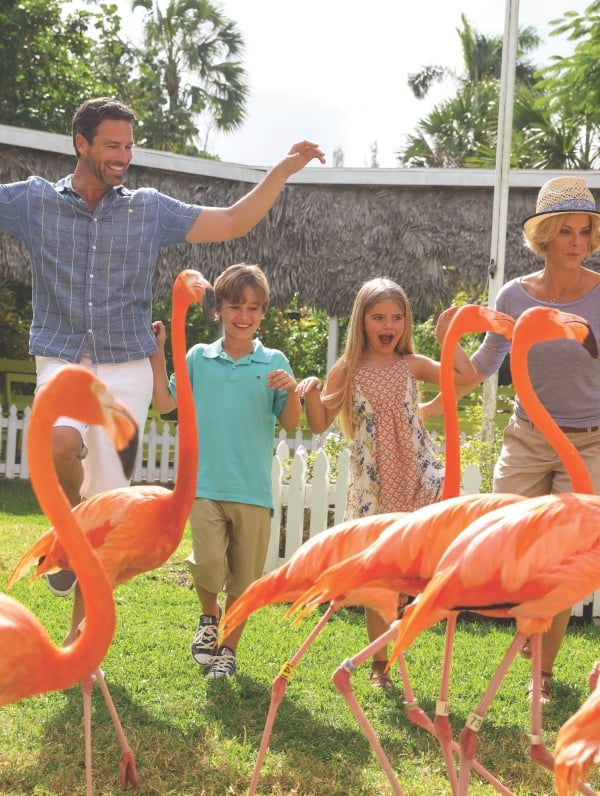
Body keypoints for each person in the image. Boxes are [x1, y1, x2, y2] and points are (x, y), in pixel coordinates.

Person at [0, 96, 324, 625]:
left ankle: (82, 640)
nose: (123, 155)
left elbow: (234, 220)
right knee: (59, 441)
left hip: (127, 364)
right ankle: (65, 535)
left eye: (128, 145)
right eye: (112, 145)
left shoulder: (147, 209)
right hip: (60, 356)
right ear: (81, 144)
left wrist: (282, 170)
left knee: (107, 499)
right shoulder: (34, 202)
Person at [435, 175, 600, 704]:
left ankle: (545, 674)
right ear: (546, 237)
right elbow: (482, 367)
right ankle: (529, 621)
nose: (577, 241)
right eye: (566, 231)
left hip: (590, 443)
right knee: (506, 542)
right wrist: (447, 342)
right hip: (528, 437)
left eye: (586, 232)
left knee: (566, 562)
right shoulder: (514, 295)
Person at [296, 277, 478, 689]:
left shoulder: (410, 364)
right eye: (379, 316)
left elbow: (464, 376)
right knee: (379, 580)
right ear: (362, 321)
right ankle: (381, 667)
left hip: (418, 472)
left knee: (453, 508)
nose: (388, 324)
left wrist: (449, 342)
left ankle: (443, 590)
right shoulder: (347, 370)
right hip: (373, 483)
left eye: (397, 317)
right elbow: (320, 422)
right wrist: (309, 393)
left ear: (405, 322)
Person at [151, 263, 301, 678]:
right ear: (217, 309)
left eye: (253, 308)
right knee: (209, 563)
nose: (244, 315)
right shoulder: (199, 357)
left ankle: (229, 649)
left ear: (263, 313)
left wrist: (290, 391)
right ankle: (207, 618)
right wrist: (157, 352)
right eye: (236, 305)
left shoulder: (274, 361)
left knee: (244, 579)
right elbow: (167, 406)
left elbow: (290, 422)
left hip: (253, 489)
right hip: (204, 485)